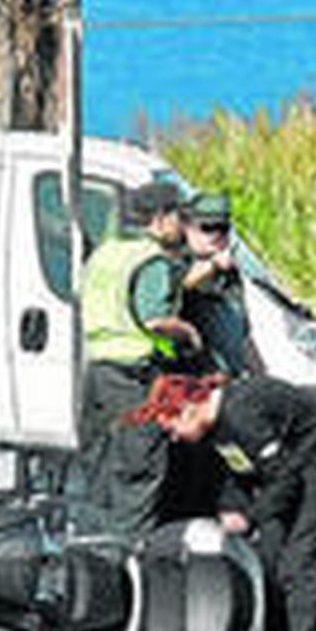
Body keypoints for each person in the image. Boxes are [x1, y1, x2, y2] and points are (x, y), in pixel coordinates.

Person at [128, 373, 316, 631]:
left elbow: (284, 475)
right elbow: (241, 472)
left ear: (188, 409)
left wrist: (250, 517)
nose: (174, 438)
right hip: (293, 470)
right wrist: (233, 511)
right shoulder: (218, 429)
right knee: (268, 555)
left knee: (300, 558)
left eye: (172, 428)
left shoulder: (242, 414)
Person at [73, 182, 201, 543]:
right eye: (180, 216)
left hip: (98, 374)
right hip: (134, 378)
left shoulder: (105, 253)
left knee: (99, 475)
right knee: (139, 472)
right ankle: (130, 564)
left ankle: (88, 556)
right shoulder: (151, 259)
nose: (183, 225)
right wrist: (189, 333)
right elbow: (154, 319)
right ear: (160, 219)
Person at [179, 191, 253, 377]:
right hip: (194, 375)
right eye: (207, 227)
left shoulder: (232, 268)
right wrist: (211, 266)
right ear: (187, 227)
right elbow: (179, 286)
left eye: (222, 228)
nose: (216, 235)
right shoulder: (174, 258)